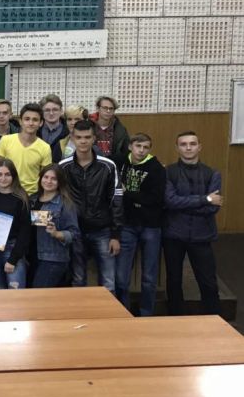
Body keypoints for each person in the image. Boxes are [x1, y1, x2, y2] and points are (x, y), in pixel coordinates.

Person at [59, 120, 123, 294]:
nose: (83, 141)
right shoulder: (63, 167)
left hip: (102, 231)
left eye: (87, 137)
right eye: (79, 137)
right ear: (73, 138)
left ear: (94, 138)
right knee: (78, 280)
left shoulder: (108, 166)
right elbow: (59, 200)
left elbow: (116, 201)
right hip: (75, 231)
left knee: (108, 283)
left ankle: (109, 313)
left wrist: (115, 235)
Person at [163, 131, 223, 316]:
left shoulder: (212, 173)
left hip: (202, 235)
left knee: (208, 282)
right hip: (174, 234)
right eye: (183, 144)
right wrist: (204, 199)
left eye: (192, 144)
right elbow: (170, 202)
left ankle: (214, 321)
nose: (188, 148)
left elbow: (213, 208)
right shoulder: (168, 172)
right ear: (177, 148)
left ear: (199, 147)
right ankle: (176, 319)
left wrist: (183, 204)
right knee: (173, 281)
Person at [116, 133, 165, 316]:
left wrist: (128, 194)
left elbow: (155, 199)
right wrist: (138, 198)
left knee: (149, 277)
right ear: (131, 146)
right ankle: (123, 313)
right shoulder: (120, 162)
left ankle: (146, 314)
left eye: (146, 147)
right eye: (138, 146)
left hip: (151, 225)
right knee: (121, 277)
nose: (141, 150)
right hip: (127, 224)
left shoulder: (156, 168)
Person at [0, 159, 30, 289]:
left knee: (16, 292)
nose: (3, 178)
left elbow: (25, 232)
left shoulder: (21, 198)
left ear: (14, 176)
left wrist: (13, 259)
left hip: (12, 249)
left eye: (7, 174)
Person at [30, 165, 80, 288]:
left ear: (60, 182)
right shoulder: (33, 199)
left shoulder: (65, 203)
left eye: (54, 179)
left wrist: (57, 233)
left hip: (53, 258)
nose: (48, 181)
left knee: (38, 295)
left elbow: (75, 233)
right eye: (46, 177)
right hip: (31, 255)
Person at [0, 103, 52, 196]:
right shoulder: (6, 140)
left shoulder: (45, 148)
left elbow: (46, 176)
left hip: (32, 196)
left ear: (41, 123)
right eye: (27, 119)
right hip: (7, 192)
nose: (31, 123)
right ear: (20, 121)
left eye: (35, 120)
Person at [90, 96, 129, 168]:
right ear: (98, 108)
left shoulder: (120, 129)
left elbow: (125, 150)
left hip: (112, 165)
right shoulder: (88, 125)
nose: (108, 111)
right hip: (92, 164)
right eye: (105, 108)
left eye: (111, 109)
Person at [38, 94, 69, 162]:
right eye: (47, 110)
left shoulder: (68, 131)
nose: (51, 113)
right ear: (41, 112)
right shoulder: (35, 130)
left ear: (61, 111)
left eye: (55, 110)